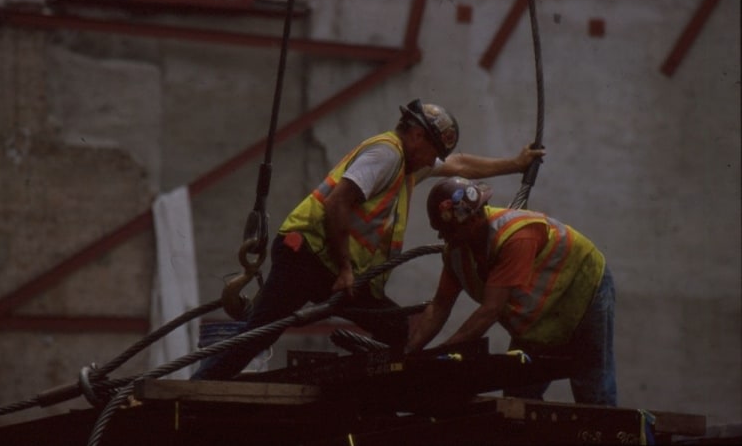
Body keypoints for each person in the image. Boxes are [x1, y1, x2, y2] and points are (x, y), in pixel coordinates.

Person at [192, 99, 544, 380]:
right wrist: (346, 267)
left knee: (394, 327)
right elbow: (337, 202)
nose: (433, 161)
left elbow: (460, 164)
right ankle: (198, 386)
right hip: (309, 255)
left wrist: (515, 164)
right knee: (260, 332)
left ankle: (375, 394)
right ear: (417, 136)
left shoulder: (406, 163)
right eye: (432, 150)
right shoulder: (386, 154)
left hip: (331, 267)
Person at [406, 176, 616, 406]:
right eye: (443, 231)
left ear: (473, 219)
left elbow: (490, 310)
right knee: (519, 396)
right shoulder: (457, 251)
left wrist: (441, 357)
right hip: (539, 318)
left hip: (582, 293)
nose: (444, 238)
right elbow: (439, 306)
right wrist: (408, 353)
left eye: (449, 231)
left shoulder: (516, 237)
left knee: (592, 388)